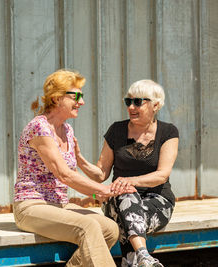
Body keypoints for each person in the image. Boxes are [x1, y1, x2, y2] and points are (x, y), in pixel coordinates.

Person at [13, 69, 136, 267]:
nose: (82, 102)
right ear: (56, 98)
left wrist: (100, 187)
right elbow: (64, 175)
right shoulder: (39, 127)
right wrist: (103, 190)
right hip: (32, 206)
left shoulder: (67, 130)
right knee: (88, 226)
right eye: (76, 96)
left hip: (60, 205)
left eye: (82, 96)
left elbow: (77, 172)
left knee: (110, 229)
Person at [74, 79, 179, 267]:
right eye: (128, 102)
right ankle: (143, 256)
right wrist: (79, 159)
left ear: (156, 105)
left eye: (138, 102)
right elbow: (101, 174)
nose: (131, 107)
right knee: (127, 196)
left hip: (157, 201)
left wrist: (128, 180)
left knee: (127, 216)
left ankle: (132, 260)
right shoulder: (117, 130)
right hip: (118, 201)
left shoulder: (168, 132)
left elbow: (162, 175)